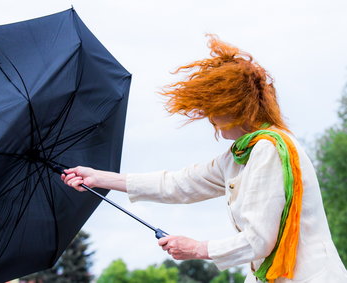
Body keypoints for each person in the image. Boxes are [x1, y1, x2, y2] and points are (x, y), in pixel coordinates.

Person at [61, 35, 347, 282]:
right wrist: (100, 178)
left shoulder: (268, 150)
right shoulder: (239, 156)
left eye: (213, 107)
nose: (209, 117)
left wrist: (197, 249)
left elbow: (259, 241)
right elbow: (177, 183)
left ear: (236, 107)